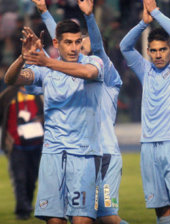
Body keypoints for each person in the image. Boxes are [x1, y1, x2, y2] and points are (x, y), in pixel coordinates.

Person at [30, 0, 128, 223]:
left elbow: (94, 49)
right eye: (71, 45)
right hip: (80, 151)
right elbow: (60, 45)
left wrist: (90, 17)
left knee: (106, 217)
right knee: (92, 217)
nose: (76, 49)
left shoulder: (102, 69)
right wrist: (45, 13)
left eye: (80, 44)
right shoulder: (72, 64)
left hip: (105, 153)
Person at [4, 17, 104, 224]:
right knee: (54, 221)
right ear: (57, 43)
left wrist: (47, 61)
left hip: (84, 154)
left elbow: (88, 73)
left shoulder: (93, 62)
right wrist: (22, 58)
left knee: (82, 221)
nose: (75, 47)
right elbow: (11, 79)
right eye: (68, 42)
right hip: (53, 153)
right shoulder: (44, 71)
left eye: (78, 41)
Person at [120, 0, 170, 223]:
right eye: (153, 50)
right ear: (148, 51)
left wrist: (155, 12)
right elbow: (124, 47)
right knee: (162, 209)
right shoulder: (145, 69)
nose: (158, 55)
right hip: (149, 146)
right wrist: (141, 24)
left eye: (163, 49)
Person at [0, 85, 43, 220]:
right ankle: (22, 210)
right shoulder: (8, 95)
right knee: (20, 179)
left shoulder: (38, 93)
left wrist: (40, 120)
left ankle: (27, 205)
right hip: (16, 145)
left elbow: (47, 114)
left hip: (37, 144)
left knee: (31, 179)